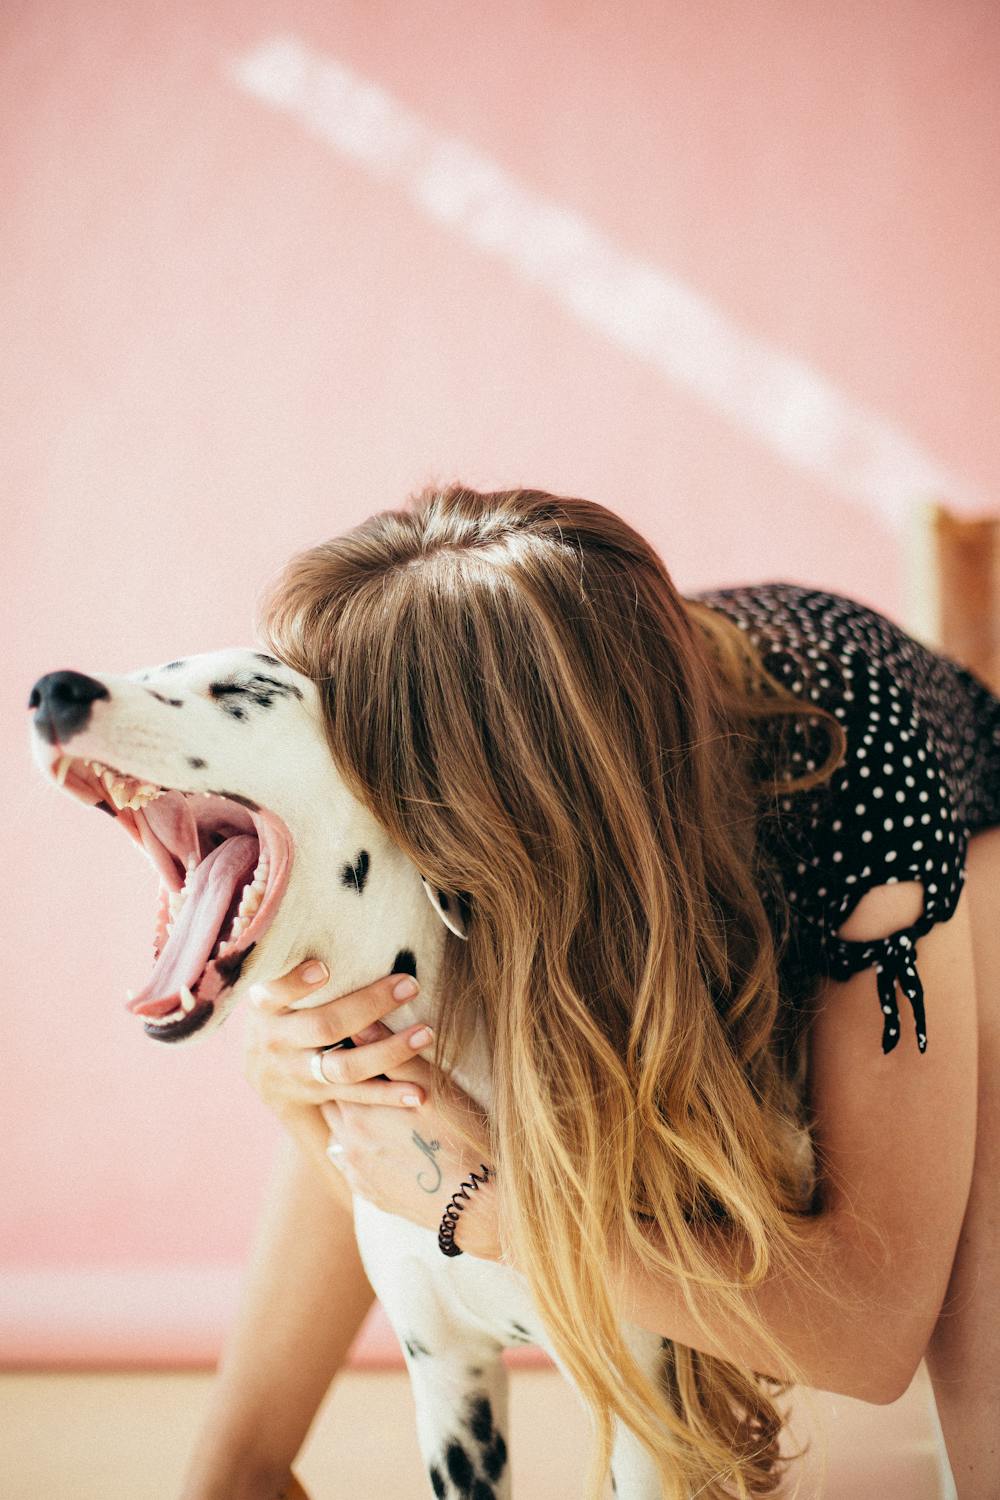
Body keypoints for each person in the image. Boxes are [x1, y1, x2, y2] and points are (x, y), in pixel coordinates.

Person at [180, 485, 1000, 1500]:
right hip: (627, 783)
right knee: (376, 1043)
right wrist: (294, 1068)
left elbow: (872, 1338)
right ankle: (231, 1477)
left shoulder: (862, 788)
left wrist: (480, 1206)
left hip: (914, 806)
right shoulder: (535, 745)